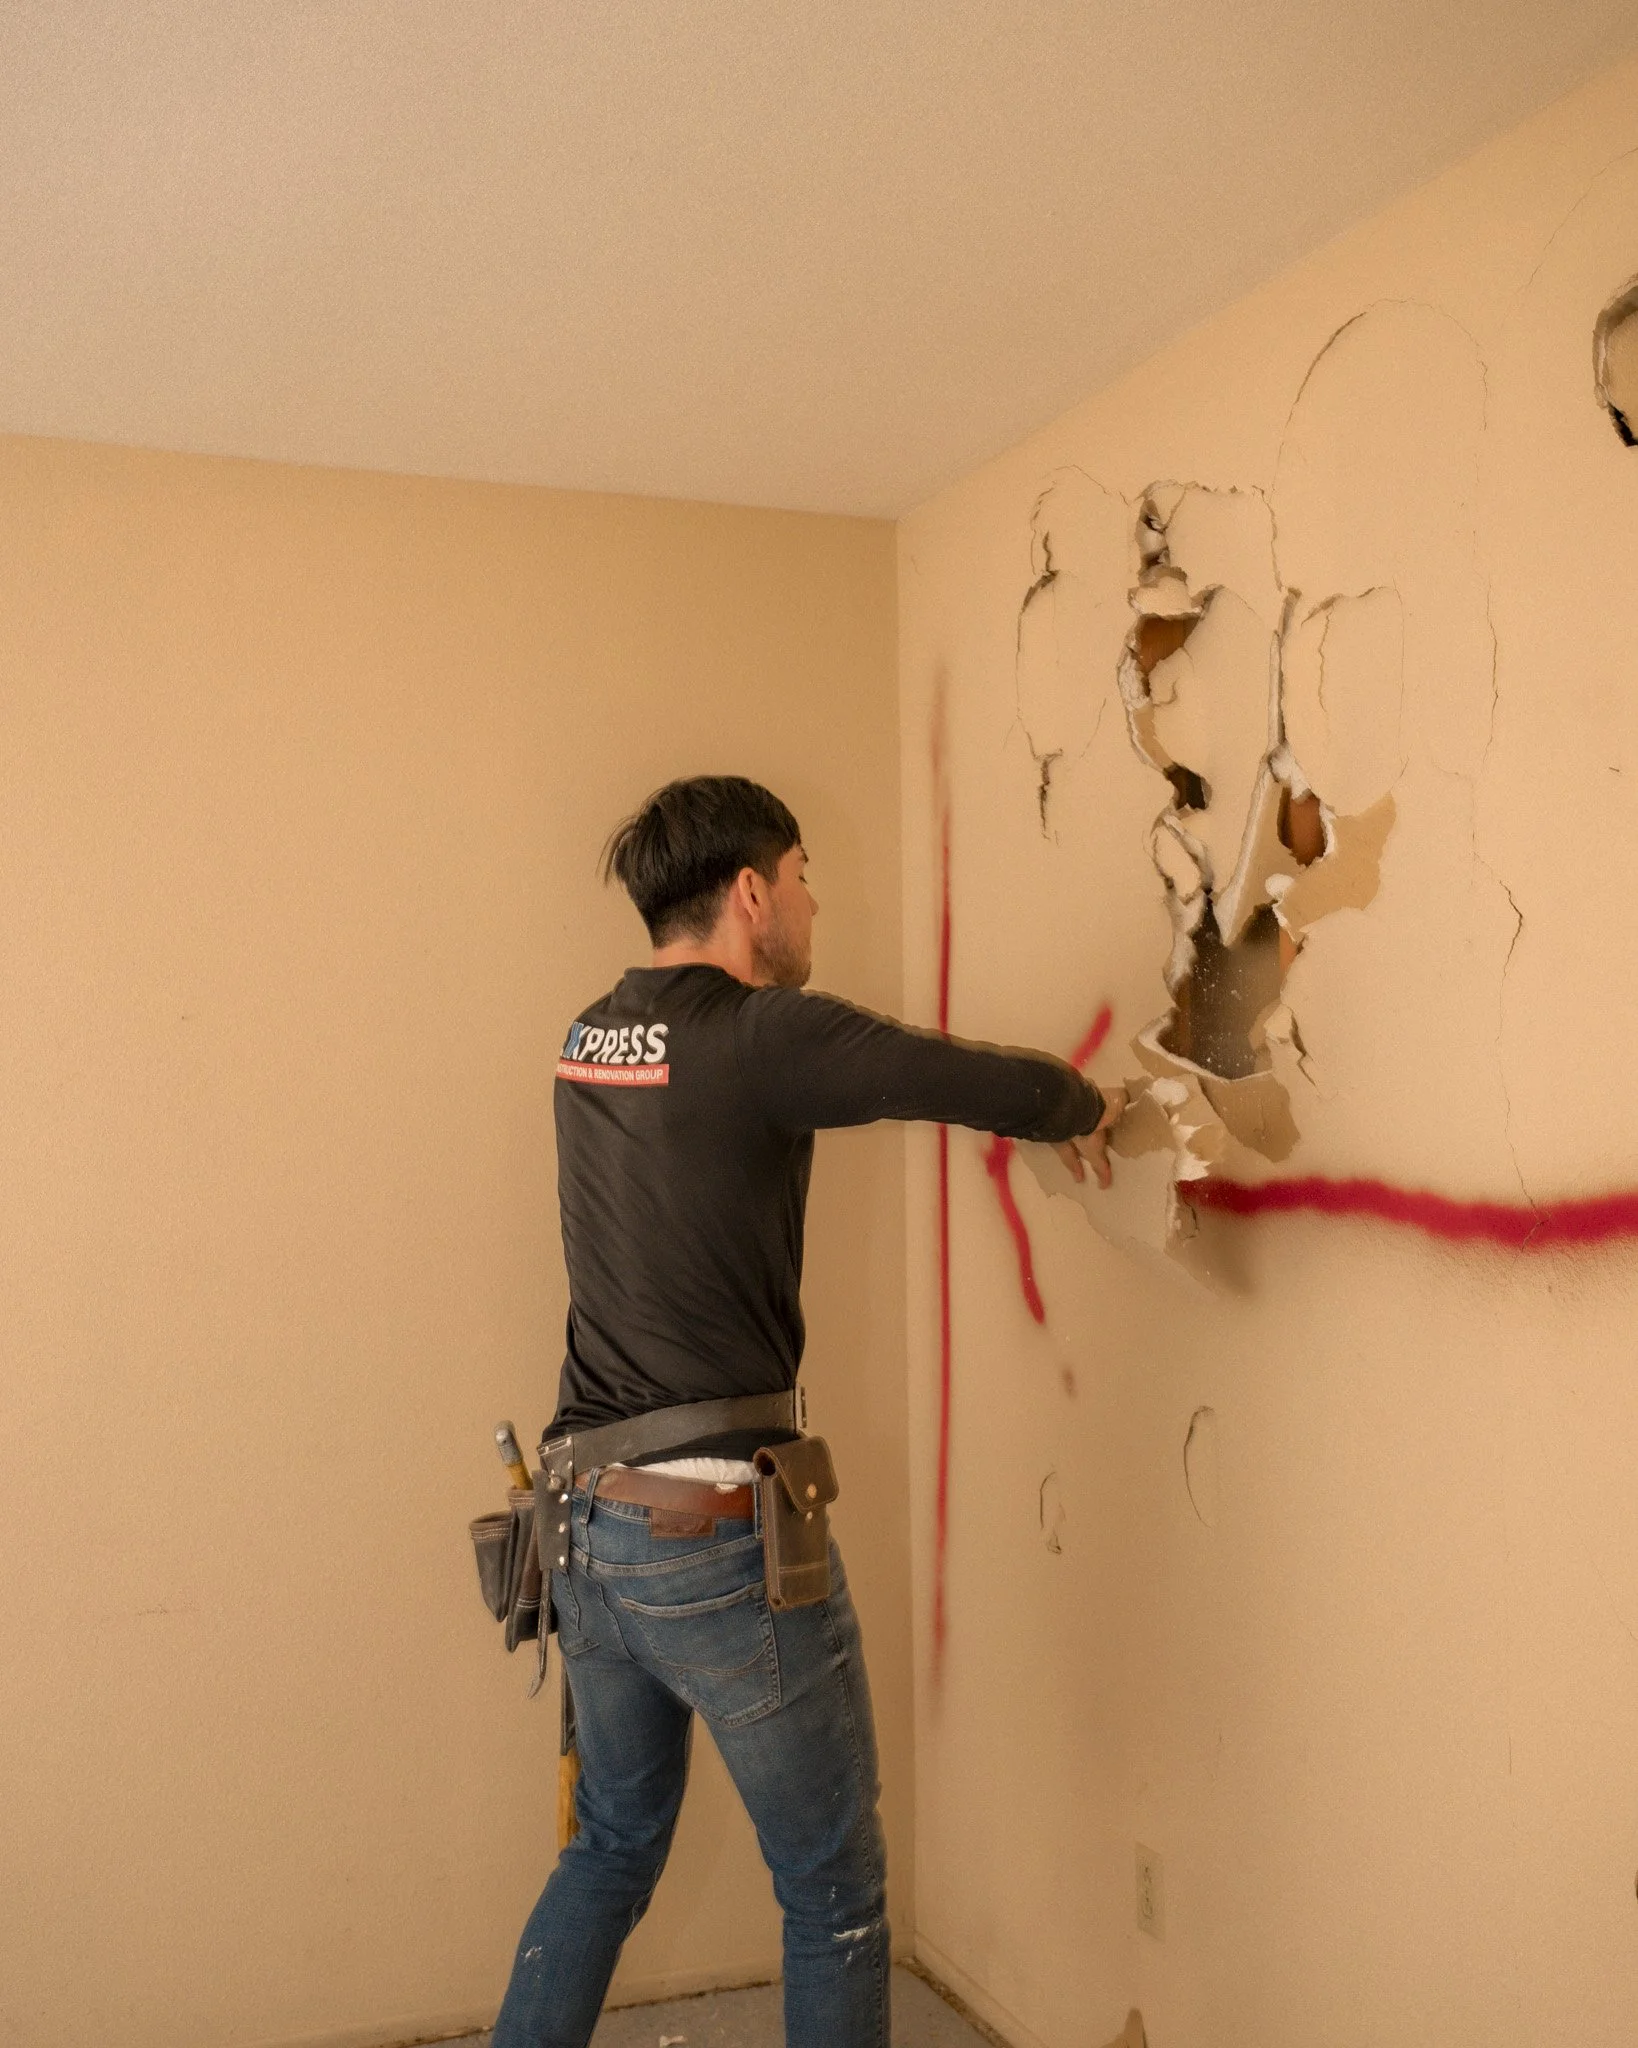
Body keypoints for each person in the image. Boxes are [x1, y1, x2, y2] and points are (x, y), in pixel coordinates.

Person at [492, 776, 1122, 2048]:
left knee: (609, 1847)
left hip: (584, 1530)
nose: (815, 901)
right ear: (750, 894)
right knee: (833, 1887)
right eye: (805, 874)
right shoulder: (758, 1033)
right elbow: (943, 1071)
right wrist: (1084, 1104)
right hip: (712, 1530)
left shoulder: (588, 1036)